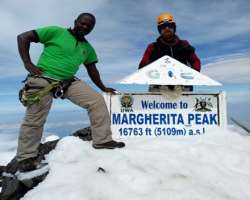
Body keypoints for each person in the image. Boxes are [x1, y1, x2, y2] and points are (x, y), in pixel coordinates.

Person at [16, 13, 125, 172]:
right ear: (76, 22)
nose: (85, 27)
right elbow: (23, 37)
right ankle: (25, 157)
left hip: (67, 81)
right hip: (43, 76)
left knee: (96, 101)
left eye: (89, 26)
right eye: (82, 23)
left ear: (92, 29)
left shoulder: (87, 48)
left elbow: (92, 70)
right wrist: (28, 63)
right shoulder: (56, 31)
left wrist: (103, 88)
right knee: (36, 116)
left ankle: (102, 140)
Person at [138, 13, 201, 92]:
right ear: (159, 30)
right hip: (158, 88)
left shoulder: (184, 44)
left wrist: (191, 77)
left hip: (183, 87)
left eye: (170, 26)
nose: (167, 28)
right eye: (163, 27)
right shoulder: (152, 47)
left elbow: (196, 61)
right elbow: (142, 66)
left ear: (174, 28)